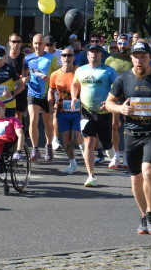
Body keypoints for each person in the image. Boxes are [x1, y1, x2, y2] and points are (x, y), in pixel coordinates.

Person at [104, 41, 151, 235]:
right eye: (136, 56)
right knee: (136, 179)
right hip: (131, 134)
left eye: (143, 56)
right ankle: (143, 216)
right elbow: (108, 102)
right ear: (131, 58)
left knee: (148, 171)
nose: (139, 60)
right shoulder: (123, 79)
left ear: (150, 58)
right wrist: (121, 108)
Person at [72, 43, 118, 187]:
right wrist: (74, 97)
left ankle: (111, 151)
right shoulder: (80, 70)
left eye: (97, 52)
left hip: (104, 113)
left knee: (106, 143)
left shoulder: (108, 71)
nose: (94, 54)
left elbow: (117, 89)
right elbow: (75, 84)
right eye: (91, 52)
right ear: (87, 55)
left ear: (101, 56)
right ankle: (91, 176)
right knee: (89, 142)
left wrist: (111, 101)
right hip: (87, 112)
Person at [23, 34, 58, 161]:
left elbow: (58, 76)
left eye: (40, 43)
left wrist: (48, 79)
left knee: (48, 122)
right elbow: (24, 73)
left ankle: (49, 146)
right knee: (32, 119)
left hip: (47, 94)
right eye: (35, 43)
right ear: (33, 44)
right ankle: (35, 149)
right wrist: (24, 78)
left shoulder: (51, 59)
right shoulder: (28, 58)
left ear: (44, 45)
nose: (38, 46)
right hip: (32, 93)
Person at [49, 48, 83, 174]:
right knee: (66, 139)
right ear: (61, 58)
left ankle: (84, 145)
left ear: (74, 57)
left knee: (77, 138)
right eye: (64, 55)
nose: (67, 58)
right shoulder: (55, 74)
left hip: (78, 111)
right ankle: (72, 163)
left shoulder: (79, 71)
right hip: (62, 111)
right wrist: (50, 102)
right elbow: (51, 90)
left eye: (70, 55)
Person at [104, 35, 133, 169]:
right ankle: (116, 155)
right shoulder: (110, 59)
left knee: (128, 128)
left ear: (129, 44)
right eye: (119, 43)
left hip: (130, 97)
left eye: (124, 43)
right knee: (114, 126)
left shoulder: (133, 58)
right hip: (115, 97)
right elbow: (105, 79)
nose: (122, 45)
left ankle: (127, 155)